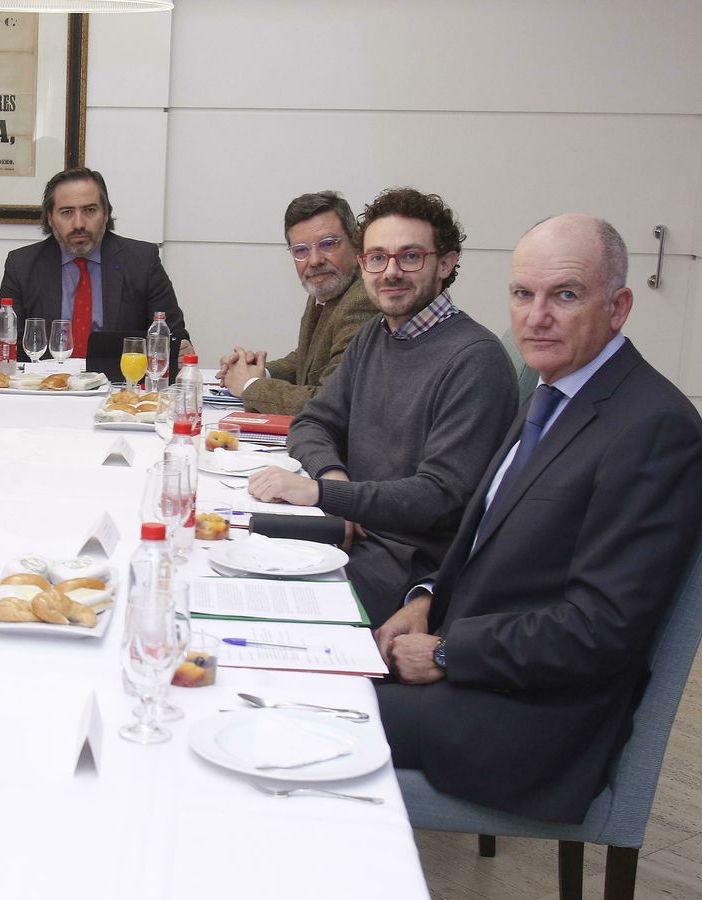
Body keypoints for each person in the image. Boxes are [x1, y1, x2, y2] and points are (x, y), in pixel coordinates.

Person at [375, 215, 702, 822]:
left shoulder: (654, 429)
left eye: (566, 295)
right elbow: (487, 547)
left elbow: (600, 629)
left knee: (305, 719)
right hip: (481, 675)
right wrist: (423, 598)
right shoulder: (550, 392)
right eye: (523, 294)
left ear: (619, 305)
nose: (537, 316)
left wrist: (447, 652)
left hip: (528, 724)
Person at [246, 188, 516, 627]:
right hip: (348, 534)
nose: (390, 272)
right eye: (377, 257)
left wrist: (323, 494)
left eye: (410, 257)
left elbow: (437, 497)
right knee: (207, 554)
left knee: (250, 610)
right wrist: (333, 481)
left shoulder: (474, 360)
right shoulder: (377, 333)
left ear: (445, 264)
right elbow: (314, 420)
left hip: (403, 568)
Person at [0, 167, 192, 360]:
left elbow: (173, 337)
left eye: (90, 210)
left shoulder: (142, 260)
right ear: (50, 218)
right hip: (47, 385)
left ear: (106, 214)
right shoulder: (21, 265)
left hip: (120, 385)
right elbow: (10, 347)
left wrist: (180, 350)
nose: (79, 223)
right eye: (66, 212)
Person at [216, 191, 377, 415]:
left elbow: (329, 402)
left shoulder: (363, 300)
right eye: (301, 250)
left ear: (356, 242)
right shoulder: (327, 285)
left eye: (328, 244)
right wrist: (254, 371)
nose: (314, 260)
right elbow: (307, 361)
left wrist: (250, 386)